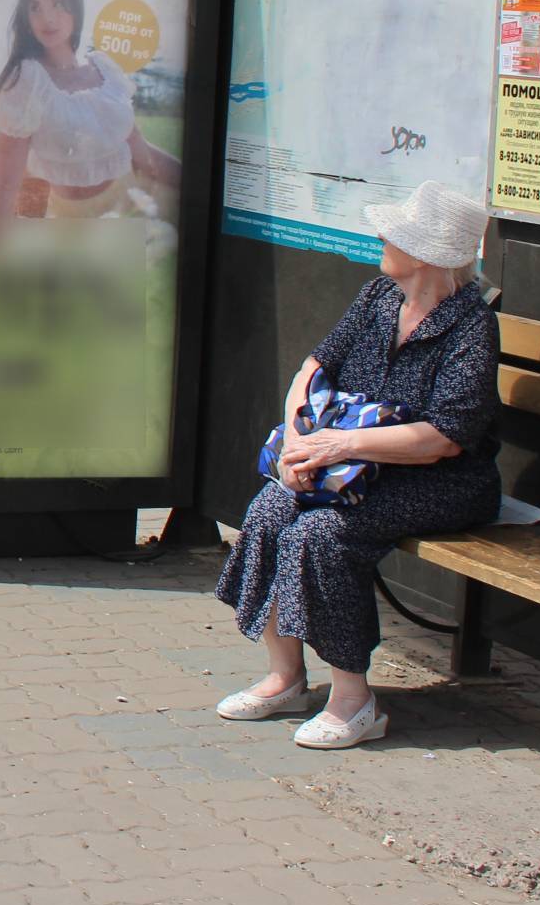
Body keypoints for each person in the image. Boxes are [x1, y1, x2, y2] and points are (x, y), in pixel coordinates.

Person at [213, 181, 501, 750]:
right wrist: (299, 441)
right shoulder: (377, 298)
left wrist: (336, 449)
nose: (380, 237)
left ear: (423, 254)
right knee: (270, 507)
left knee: (324, 534)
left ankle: (353, 700)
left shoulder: (472, 325)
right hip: (353, 466)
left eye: (393, 233)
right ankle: (286, 678)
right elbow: (313, 368)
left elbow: (444, 439)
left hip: (441, 481)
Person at [0, 0, 181, 219]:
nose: (48, 18)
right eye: (35, 8)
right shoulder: (27, 81)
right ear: (27, 20)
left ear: (76, 8)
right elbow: (6, 180)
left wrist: (188, 179)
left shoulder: (105, 68)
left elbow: (138, 146)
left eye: (58, 3)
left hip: (135, 199)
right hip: (70, 217)